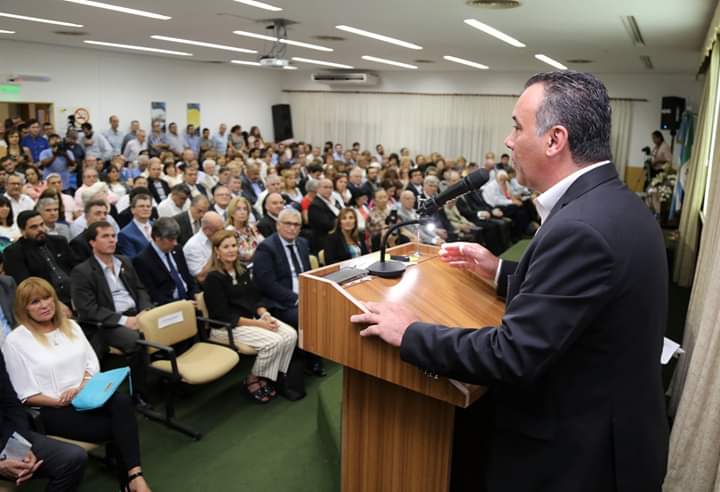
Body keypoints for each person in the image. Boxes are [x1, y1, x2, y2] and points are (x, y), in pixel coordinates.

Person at [350, 71, 669, 492]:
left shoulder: (582, 227)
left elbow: (513, 354)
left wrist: (410, 333)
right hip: (615, 427)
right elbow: (582, 295)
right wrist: (500, 272)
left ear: (555, 140)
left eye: (517, 126)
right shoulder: (613, 201)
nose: (508, 140)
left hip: (577, 454)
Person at [2, 277, 151, 492]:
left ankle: (133, 478)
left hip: (88, 396)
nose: (44, 305)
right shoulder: (16, 341)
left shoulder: (70, 325)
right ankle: (133, 480)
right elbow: (23, 394)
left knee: (121, 401)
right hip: (52, 409)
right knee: (120, 426)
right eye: (34, 302)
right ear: (23, 308)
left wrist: (82, 386)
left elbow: (91, 363)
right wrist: (60, 399)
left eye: (47, 298)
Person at [203, 230, 297, 403]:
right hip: (226, 328)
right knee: (273, 342)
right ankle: (253, 379)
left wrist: (265, 315)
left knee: (290, 335)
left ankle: (274, 376)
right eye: (226, 247)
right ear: (217, 251)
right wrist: (261, 325)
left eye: (233, 246)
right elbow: (223, 315)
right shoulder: (213, 278)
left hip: (250, 321)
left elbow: (255, 298)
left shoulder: (242, 269)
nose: (231, 250)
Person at [254, 208, 325, 377]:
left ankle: (318, 351)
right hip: (280, 301)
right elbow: (267, 284)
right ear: (278, 225)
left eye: (296, 225)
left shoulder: (302, 243)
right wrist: (297, 298)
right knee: (306, 316)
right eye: (288, 224)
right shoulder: (266, 248)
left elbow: (307, 273)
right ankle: (311, 359)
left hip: (304, 294)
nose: (292, 228)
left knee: (328, 306)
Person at [4, 211, 74, 306]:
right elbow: (27, 286)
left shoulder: (59, 241)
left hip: (75, 293)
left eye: (41, 224)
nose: (40, 229)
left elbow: (76, 269)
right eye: (34, 227)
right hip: (46, 301)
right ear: (22, 230)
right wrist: (55, 304)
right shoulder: (14, 252)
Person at [132, 218, 197, 306]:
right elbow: (154, 295)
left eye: (176, 239)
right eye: (171, 240)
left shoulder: (177, 249)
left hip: (189, 300)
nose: (175, 243)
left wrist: (195, 295)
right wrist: (182, 305)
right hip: (170, 307)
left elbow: (188, 278)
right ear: (157, 238)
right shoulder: (142, 260)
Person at [183, 211, 225, 282]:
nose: (222, 233)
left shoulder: (221, 238)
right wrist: (216, 253)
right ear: (207, 230)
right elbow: (201, 277)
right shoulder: (192, 247)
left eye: (223, 229)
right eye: (218, 230)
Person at [225, 196, 263, 266]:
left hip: (259, 263)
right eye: (238, 209)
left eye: (245, 209)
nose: (242, 212)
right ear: (232, 212)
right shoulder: (229, 232)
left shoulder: (251, 227)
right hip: (242, 268)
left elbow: (263, 243)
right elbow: (244, 256)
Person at [117, 193, 153, 258]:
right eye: (141, 206)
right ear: (133, 210)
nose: (145, 209)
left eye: (148, 206)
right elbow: (132, 261)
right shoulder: (125, 234)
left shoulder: (158, 225)